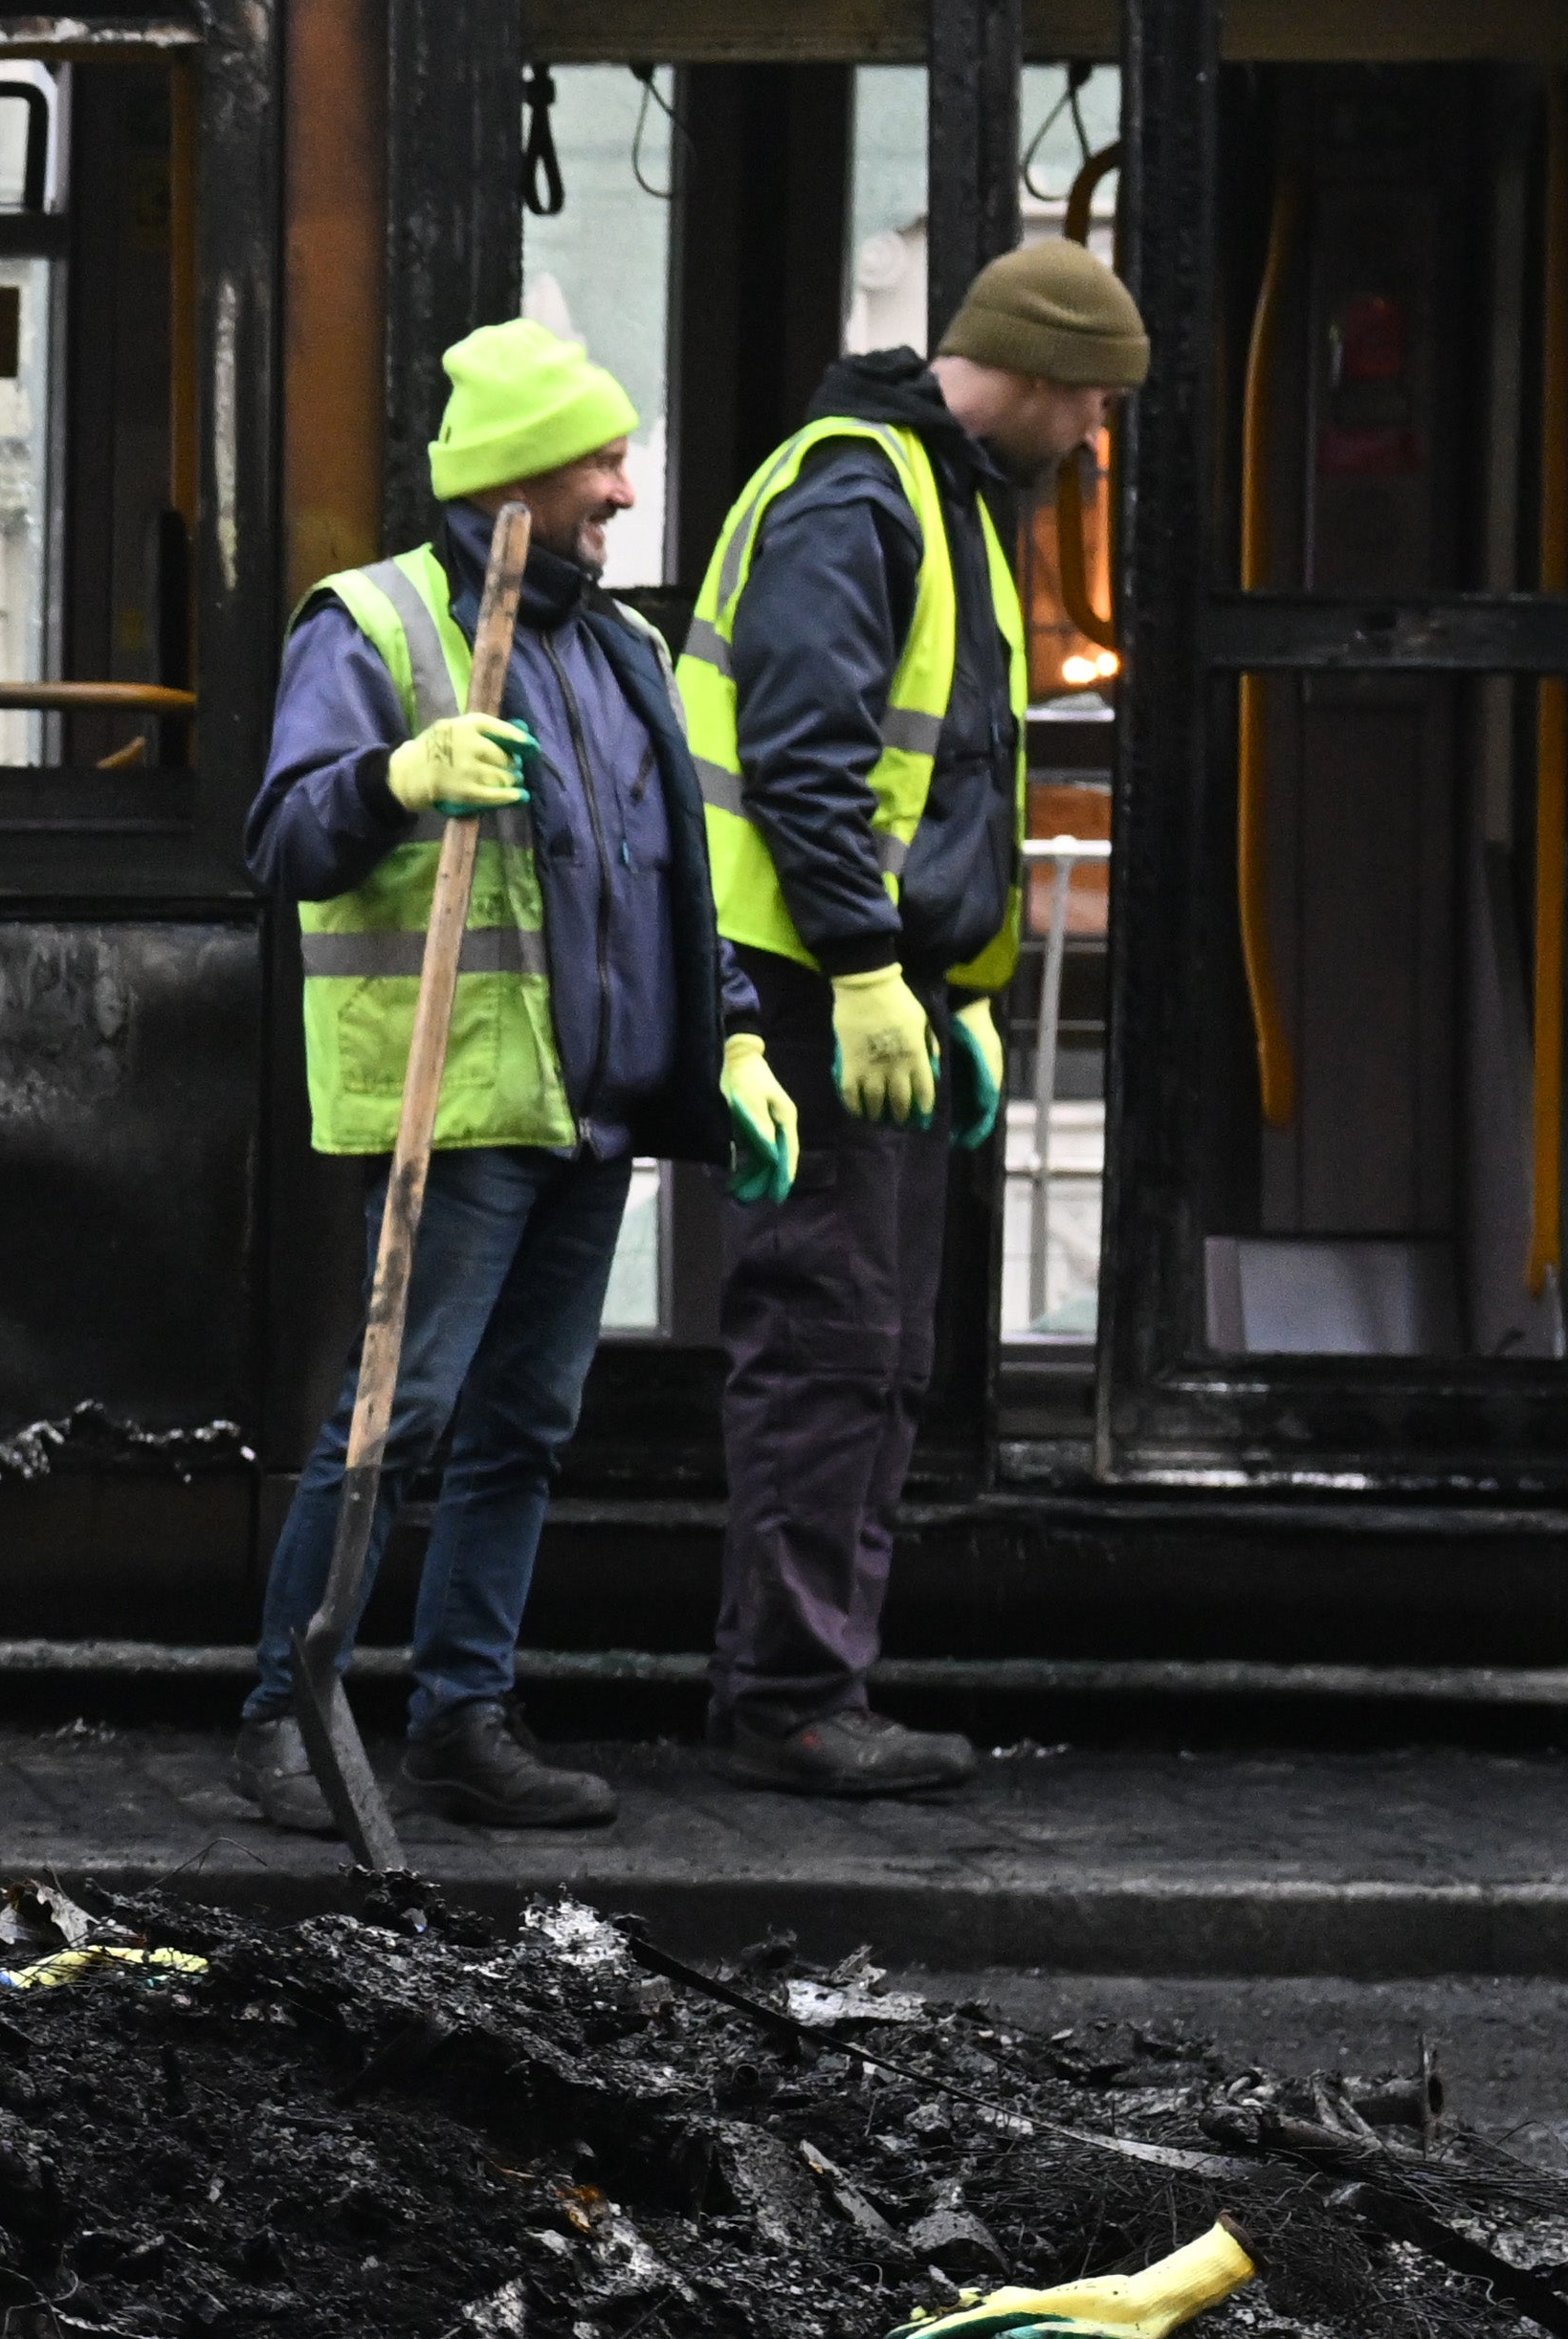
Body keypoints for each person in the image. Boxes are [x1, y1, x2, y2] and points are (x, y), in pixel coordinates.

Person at [232, 319, 760, 1839]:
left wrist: (728, 1035)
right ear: (520, 467)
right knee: (393, 1419)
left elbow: (674, 886)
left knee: (523, 1421)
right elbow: (282, 842)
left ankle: (463, 1717)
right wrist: (392, 778)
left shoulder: (620, 647)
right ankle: (282, 1710)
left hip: (590, 1107)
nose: (621, 487)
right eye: (600, 456)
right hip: (455, 1097)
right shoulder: (377, 624)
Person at [676, 237, 1147, 1799]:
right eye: (1086, 404)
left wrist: (951, 989)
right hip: (816, 998)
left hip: (871, 988)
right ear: (1023, 372)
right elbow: (808, 759)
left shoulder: (932, 501)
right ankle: (789, 1701)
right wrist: (872, 967)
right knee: (830, 1342)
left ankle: (802, 1681)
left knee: (862, 1352)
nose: (1091, 439)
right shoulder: (857, 497)